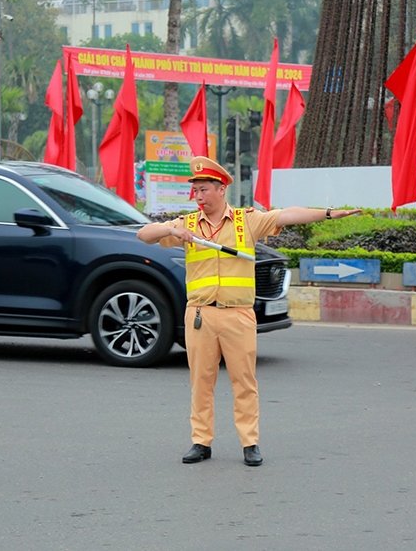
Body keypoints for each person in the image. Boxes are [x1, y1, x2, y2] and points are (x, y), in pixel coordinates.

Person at [138, 156, 360, 466]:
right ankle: (201, 442)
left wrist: (328, 213)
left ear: (220, 189)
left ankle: (249, 443)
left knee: (244, 382)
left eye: (204, 190)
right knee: (201, 382)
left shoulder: (247, 220)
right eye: (196, 191)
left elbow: (288, 215)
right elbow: (143, 235)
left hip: (239, 315)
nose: (198, 197)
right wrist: (169, 229)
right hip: (201, 315)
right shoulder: (186, 224)